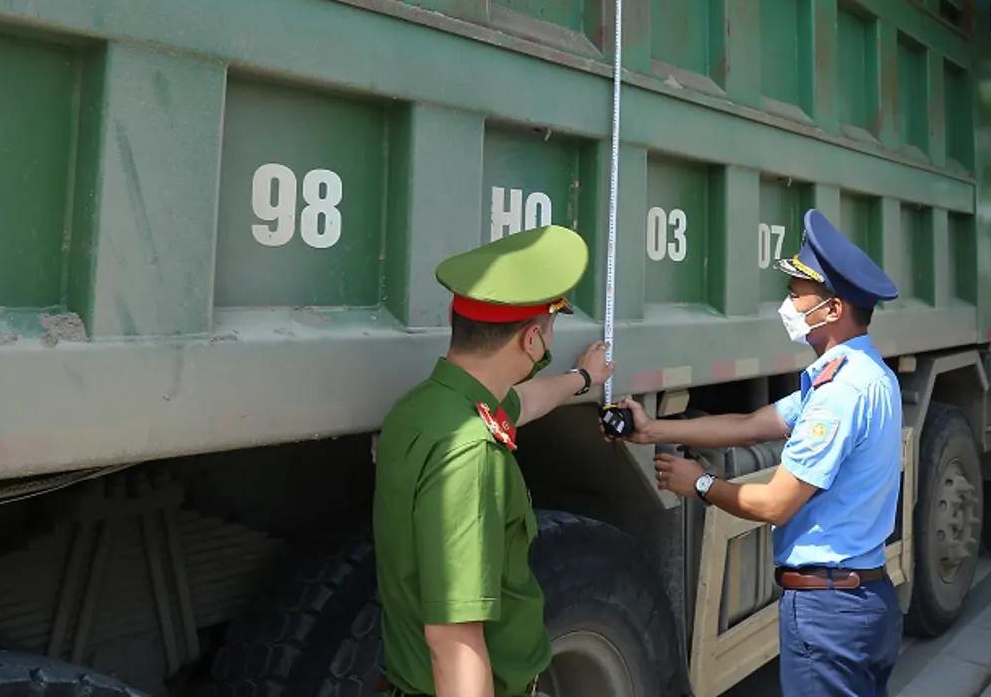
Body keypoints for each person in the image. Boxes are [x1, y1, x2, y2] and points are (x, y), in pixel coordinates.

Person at [610, 209, 904, 697]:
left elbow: (775, 505)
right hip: (863, 598)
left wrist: (699, 484)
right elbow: (750, 426)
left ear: (832, 310)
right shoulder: (865, 374)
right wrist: (649, 429)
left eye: (796, 296)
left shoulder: (840, 393)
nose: (787, 305)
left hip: (828, 611)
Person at [373, 225, 613, 697]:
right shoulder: (470, 455)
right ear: (530, 341)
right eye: (549, 328)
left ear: (453, 316)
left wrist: (583, 378)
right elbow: (453, 640)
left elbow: (522, 401)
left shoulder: (423, 407)